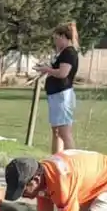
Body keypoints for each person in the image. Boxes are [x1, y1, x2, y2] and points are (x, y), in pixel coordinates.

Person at [34, 23, 80, 154]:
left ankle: (73, 163)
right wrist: (47, 68)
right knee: (56, 131)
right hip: (55, 95)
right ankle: (56, 159)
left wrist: (46, 69)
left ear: (63, 37)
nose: (55, 42)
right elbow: (57, 70)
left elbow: (63, 73)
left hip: (62, 96)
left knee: (64, 132)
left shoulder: (69, 53)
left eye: (56, 38)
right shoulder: (62, 54)